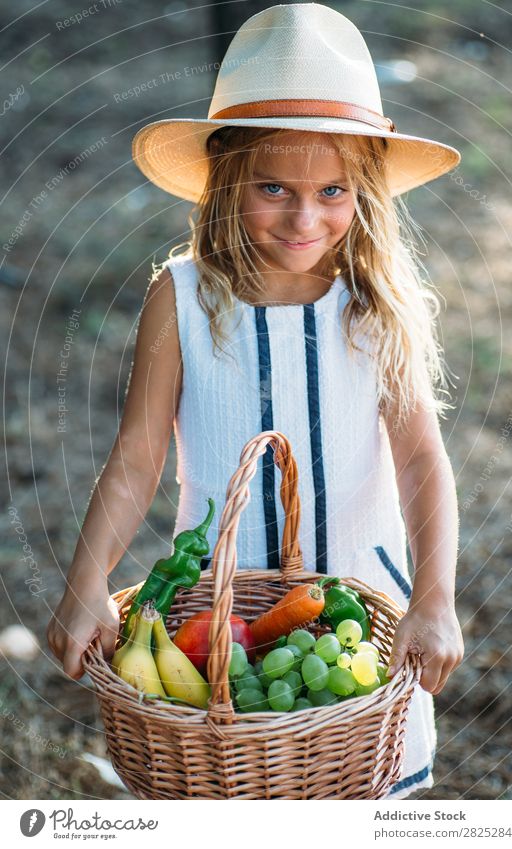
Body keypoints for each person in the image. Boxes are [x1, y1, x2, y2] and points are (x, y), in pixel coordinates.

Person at [47, 3, 464, 799]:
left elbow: (420, 461)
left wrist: (435, 600)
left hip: (362, 621)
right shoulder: (181, 299)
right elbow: (138, 458)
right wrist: (83, 584)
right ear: (226, 178)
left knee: (359, 796)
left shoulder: (376, 303)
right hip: (217, 629)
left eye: (333, 190)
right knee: (225, 796)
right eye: (273, 187)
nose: (305, 218)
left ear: (363, 189)